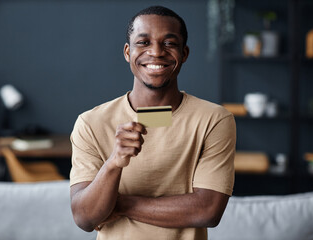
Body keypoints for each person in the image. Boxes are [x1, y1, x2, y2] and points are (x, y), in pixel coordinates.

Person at [70, 5, 236, 240]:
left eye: (169, 43)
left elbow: (208, 210)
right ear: (128, 52)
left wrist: (119, 205)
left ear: (184, 53)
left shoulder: (214, 120)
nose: (156, 52)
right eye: (144, 42)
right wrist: (114, 164)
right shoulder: (90, 123)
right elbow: (84, 217)